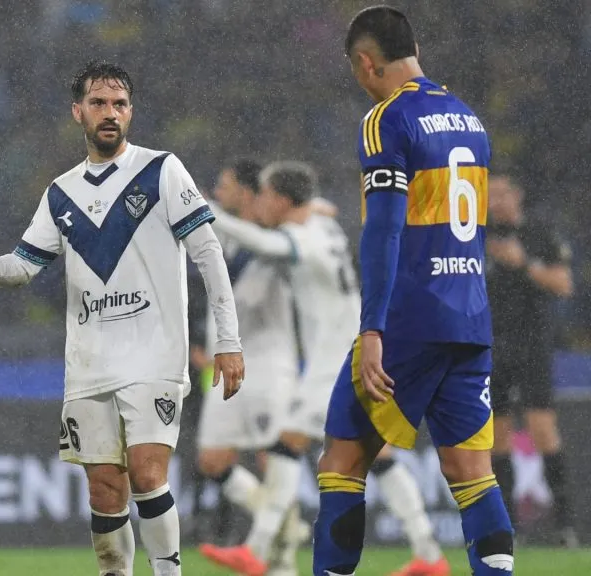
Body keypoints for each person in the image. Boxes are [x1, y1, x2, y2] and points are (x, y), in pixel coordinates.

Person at [0, 60, 245, 576]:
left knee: (146, 473)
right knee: (105, 486)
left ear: (131, 112)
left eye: (119, 104)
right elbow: (21, 268)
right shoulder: (61, 193)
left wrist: (229, 340)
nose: (110, 113)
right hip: (91, 362)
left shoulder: (162, 170)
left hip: (154, 354)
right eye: (98, 103)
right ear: (78, 112)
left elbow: (209, 255)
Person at [313, 6, 513, 576]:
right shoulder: (469, 118)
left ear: (365, 62)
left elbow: (384, 230)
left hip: (409, 318)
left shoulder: (387, 120)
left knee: (341, 463)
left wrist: (372, 327)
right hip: (470, 317)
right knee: (473, 475)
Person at [198, 162, 448, 576]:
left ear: (280, 199)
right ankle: (429, 554)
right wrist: (315, 204)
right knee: (375, 454)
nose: (259, 202)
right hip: (352, 352)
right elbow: (311, 209)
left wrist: (212, 216)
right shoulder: (323, 226)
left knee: (287, 444)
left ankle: (257, 551)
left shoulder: (304, 237)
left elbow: (267, 244)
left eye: (264, 194)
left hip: (338, 362)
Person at [193, 158, 306, 576]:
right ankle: (284, 525)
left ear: (246, 191)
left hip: (268, 360)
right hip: (228, 364)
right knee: (212, 459)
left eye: (223, 186)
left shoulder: (273, 234)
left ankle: (282, 564)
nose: (218, 193)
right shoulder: (224, 236)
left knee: (271, 459)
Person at [486, 175, 575, 545]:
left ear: (517, 194)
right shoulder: (475, 237)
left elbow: (563, 284)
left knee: (542, 430)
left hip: (532, 344)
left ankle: (567, 526)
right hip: (491, 346)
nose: (498, 202)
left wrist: (523, 264)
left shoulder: (539, 233)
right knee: (496, 438)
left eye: (504, 193)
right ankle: (508, 529)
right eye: (490, 196)